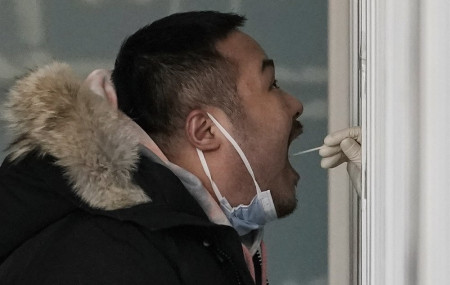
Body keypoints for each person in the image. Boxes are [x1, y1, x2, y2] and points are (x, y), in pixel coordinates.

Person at [0, 11, 361, 285]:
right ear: (205, 130)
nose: (295, 104)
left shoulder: (180, 242)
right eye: (272, 84)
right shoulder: (114, 254)